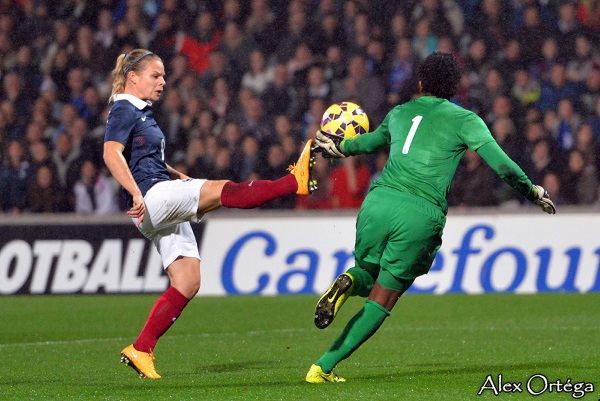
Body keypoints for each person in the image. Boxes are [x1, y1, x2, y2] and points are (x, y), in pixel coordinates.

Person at [306, 52, 556, 383]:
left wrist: (337, 147)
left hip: (378, 201)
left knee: (367, 273)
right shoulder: (466, 120)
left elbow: (368, 143)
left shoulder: (399, 112)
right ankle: (322, 367)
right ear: (456, 88)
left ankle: (349, 281)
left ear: (421, 84)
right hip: (419, 213)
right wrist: (532, 192)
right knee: (384, 295)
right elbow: (503, 166)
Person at [103, 49, 317, 379]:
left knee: (188, 281)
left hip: (155, 199)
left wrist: (176, 175)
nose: (163, 81)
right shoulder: (124, 108)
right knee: (223, 190)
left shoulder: (140, 112)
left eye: (163, 75)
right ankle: (293, 182)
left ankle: (141, 348)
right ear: (133, 77)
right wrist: (134, 191)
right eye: (155, 75)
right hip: (151, 198)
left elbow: (142, 158)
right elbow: (111, 152)